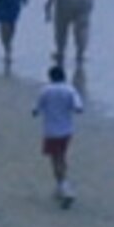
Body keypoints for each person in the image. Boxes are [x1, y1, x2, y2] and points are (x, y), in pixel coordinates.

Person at [32, 62, 83, 207]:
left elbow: (36, 110)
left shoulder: (46, 91)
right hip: (66, 131)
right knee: (62, 156)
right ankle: (61, 185)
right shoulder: (70, 90)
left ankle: (64, 187)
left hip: (51, 131)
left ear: (50, 77)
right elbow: (79, 108)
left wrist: (39, 111)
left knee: (55, 160)